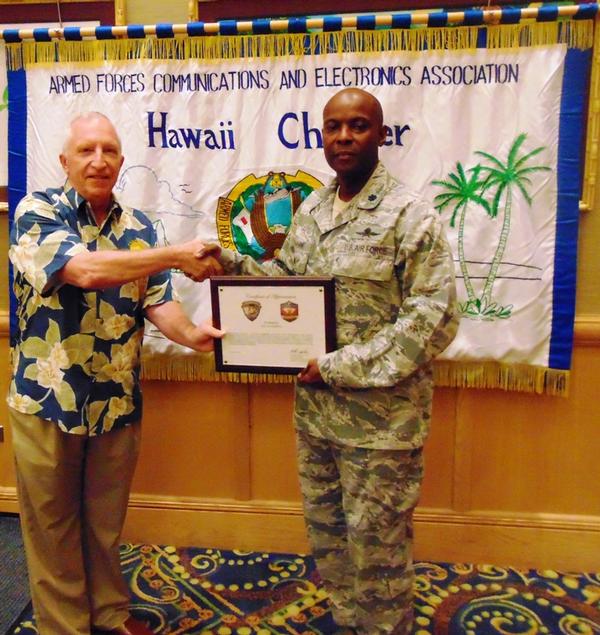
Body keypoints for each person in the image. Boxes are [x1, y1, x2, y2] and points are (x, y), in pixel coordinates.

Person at [201, 88, 459, 634]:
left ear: (381, 135)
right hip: (317, 417)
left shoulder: (410, 216)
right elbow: (284, 288)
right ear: (322, 137)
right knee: (330, 538)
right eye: (334, 127)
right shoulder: (313, 210)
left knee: (378, 552)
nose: (344, 137)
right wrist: (227, 263)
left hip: (382, 425)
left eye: (359, 126)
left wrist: (339, 366)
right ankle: (348, 623)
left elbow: (432, 321)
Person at [7, 112, 224, 635]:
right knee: (52, 527)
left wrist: (194, 335)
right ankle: (65, 627)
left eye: (109, 150)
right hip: (47, 402)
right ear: (65, 161)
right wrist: (175, 254)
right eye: (86, 150)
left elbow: (159, 305)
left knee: (103, 526)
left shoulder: (142, 230)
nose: (98, 160)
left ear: (122, 162)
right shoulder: (37, 211)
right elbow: (83, 270)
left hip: (116, 403)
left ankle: (109, 614)